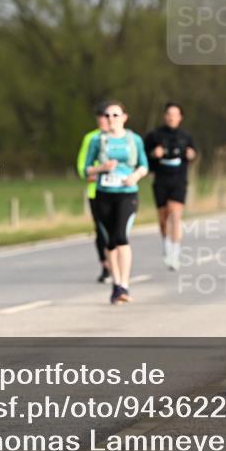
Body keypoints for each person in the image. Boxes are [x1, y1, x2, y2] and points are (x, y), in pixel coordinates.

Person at [83, 101, 149, 305]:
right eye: (107, 115)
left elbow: (144, 165)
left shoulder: (133, 139)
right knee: (110, 241)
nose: (111, 119)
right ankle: (116, 283)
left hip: (127, 193)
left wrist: (135, 177)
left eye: (115, 115)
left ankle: (125, 285)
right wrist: (101, 167)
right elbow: (86, 169)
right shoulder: (98, 140)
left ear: (124, 117)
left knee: (121, 237)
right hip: (104, 193)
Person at [144, 102, 197, 271]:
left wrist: (191, 155)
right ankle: (166, 246)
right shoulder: (154, 135)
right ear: (164, 116)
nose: (171, 117)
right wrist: (154, 154)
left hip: (179, 179)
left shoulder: (186, 136)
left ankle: (175, 253)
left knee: (175, 215)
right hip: (161, 179)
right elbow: (145, 157)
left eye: (175, 114)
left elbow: (193, 153)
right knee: (163, 217)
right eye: (169, 114)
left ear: (180, 117)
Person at [77, 103, 111, 283]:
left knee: (116, 231)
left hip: (119, 191)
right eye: (100, 117)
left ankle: (117, 263)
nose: (102, 120)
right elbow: (82, 164)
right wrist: (90, 172)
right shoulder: (91, 138)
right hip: (95, 192)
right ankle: (106, 265)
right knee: (101, 230)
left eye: (105, 116)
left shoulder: (123, 137)